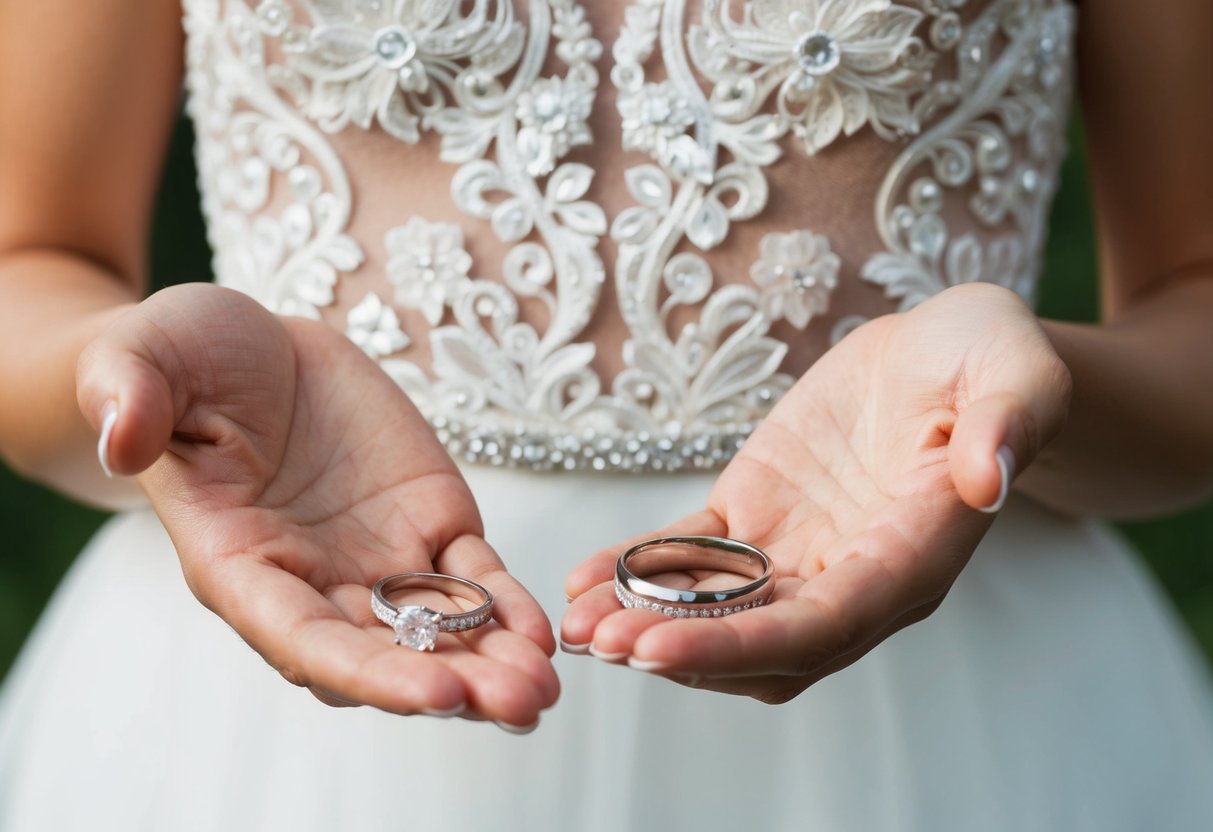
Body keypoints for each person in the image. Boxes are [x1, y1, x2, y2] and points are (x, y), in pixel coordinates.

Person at [1, 0, 1212, 828]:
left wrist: (1019, 399)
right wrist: (131, 380)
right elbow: (33, 255)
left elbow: (1190, 302)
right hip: (263, 684)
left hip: (968, 689)